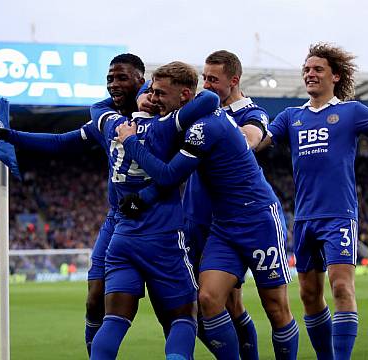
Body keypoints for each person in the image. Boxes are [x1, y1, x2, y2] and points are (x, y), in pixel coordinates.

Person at [117, 60, 299, 360]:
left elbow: (168, 175)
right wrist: (142, 198)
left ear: (185, 96)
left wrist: (132, 142)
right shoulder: (191, 119)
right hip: (223, 224)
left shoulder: (204, 126)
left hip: (257, 218)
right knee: (208, 299)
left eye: (161, 93)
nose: (155, 99)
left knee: (276, 307)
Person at [0, 54, 149, 357]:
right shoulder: (104, 121)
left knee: (177, 310)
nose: (113, 85)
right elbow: (59, 142)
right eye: (109, 79)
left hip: (161, 220)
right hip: (118, 219)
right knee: (95, 299)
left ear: (141, 81)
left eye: (121, 78)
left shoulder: (161, 115)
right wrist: (8, 135)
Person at [256, 42, 368, 360]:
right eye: (307, 69)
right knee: (310, 295)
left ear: (335, 75)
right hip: (305, 218)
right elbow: (258, 145)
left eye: (318, 69)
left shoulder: (351, 112)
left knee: (341, 288)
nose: (310, 73)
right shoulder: (290, 116)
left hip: (340, 214)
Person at [90, 61, 220, 360]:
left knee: (113, 320)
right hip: (162, 238)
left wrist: (123, 97)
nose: (155, 97)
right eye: (151, 92)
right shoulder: (166, 126)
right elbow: (210, 99)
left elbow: (96, 109)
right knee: (184, 317)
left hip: (122, 238)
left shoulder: (113, 125)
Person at [186, 49, 269, 360]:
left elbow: (250, 139)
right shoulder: (202, 110)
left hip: (227, 222)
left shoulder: (251, 113)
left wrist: (218, 132)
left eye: (212, 79)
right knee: (189, 303)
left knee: (225, 303)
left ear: (234, 81)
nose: (205, 85)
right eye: (203, 78)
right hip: (194, 218)